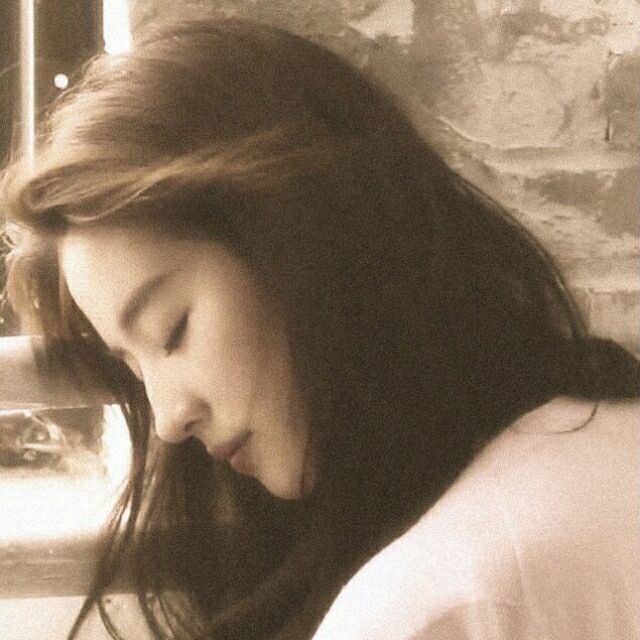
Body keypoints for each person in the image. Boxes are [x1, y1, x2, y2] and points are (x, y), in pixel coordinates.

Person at [1, 17, 638, 640]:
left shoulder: (427, 607)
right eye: (132, 368)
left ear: (310, 236)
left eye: (173, 331)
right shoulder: (599, 433)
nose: (168, 420)